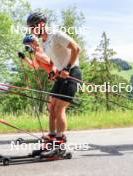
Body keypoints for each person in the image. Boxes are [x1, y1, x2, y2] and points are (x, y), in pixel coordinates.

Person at [26, 12, 82, 154]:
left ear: (41, 24)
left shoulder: (56, 34)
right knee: (52, 108)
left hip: (72, 72)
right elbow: (53, 62)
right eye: (30, 28)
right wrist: (53, 72)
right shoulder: (44, 43)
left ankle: (60, 143)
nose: (32, 30)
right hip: (61, 75)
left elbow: (76, 48)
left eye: (33, 27)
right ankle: (51, 140)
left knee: (59, 109)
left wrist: (68, 68)